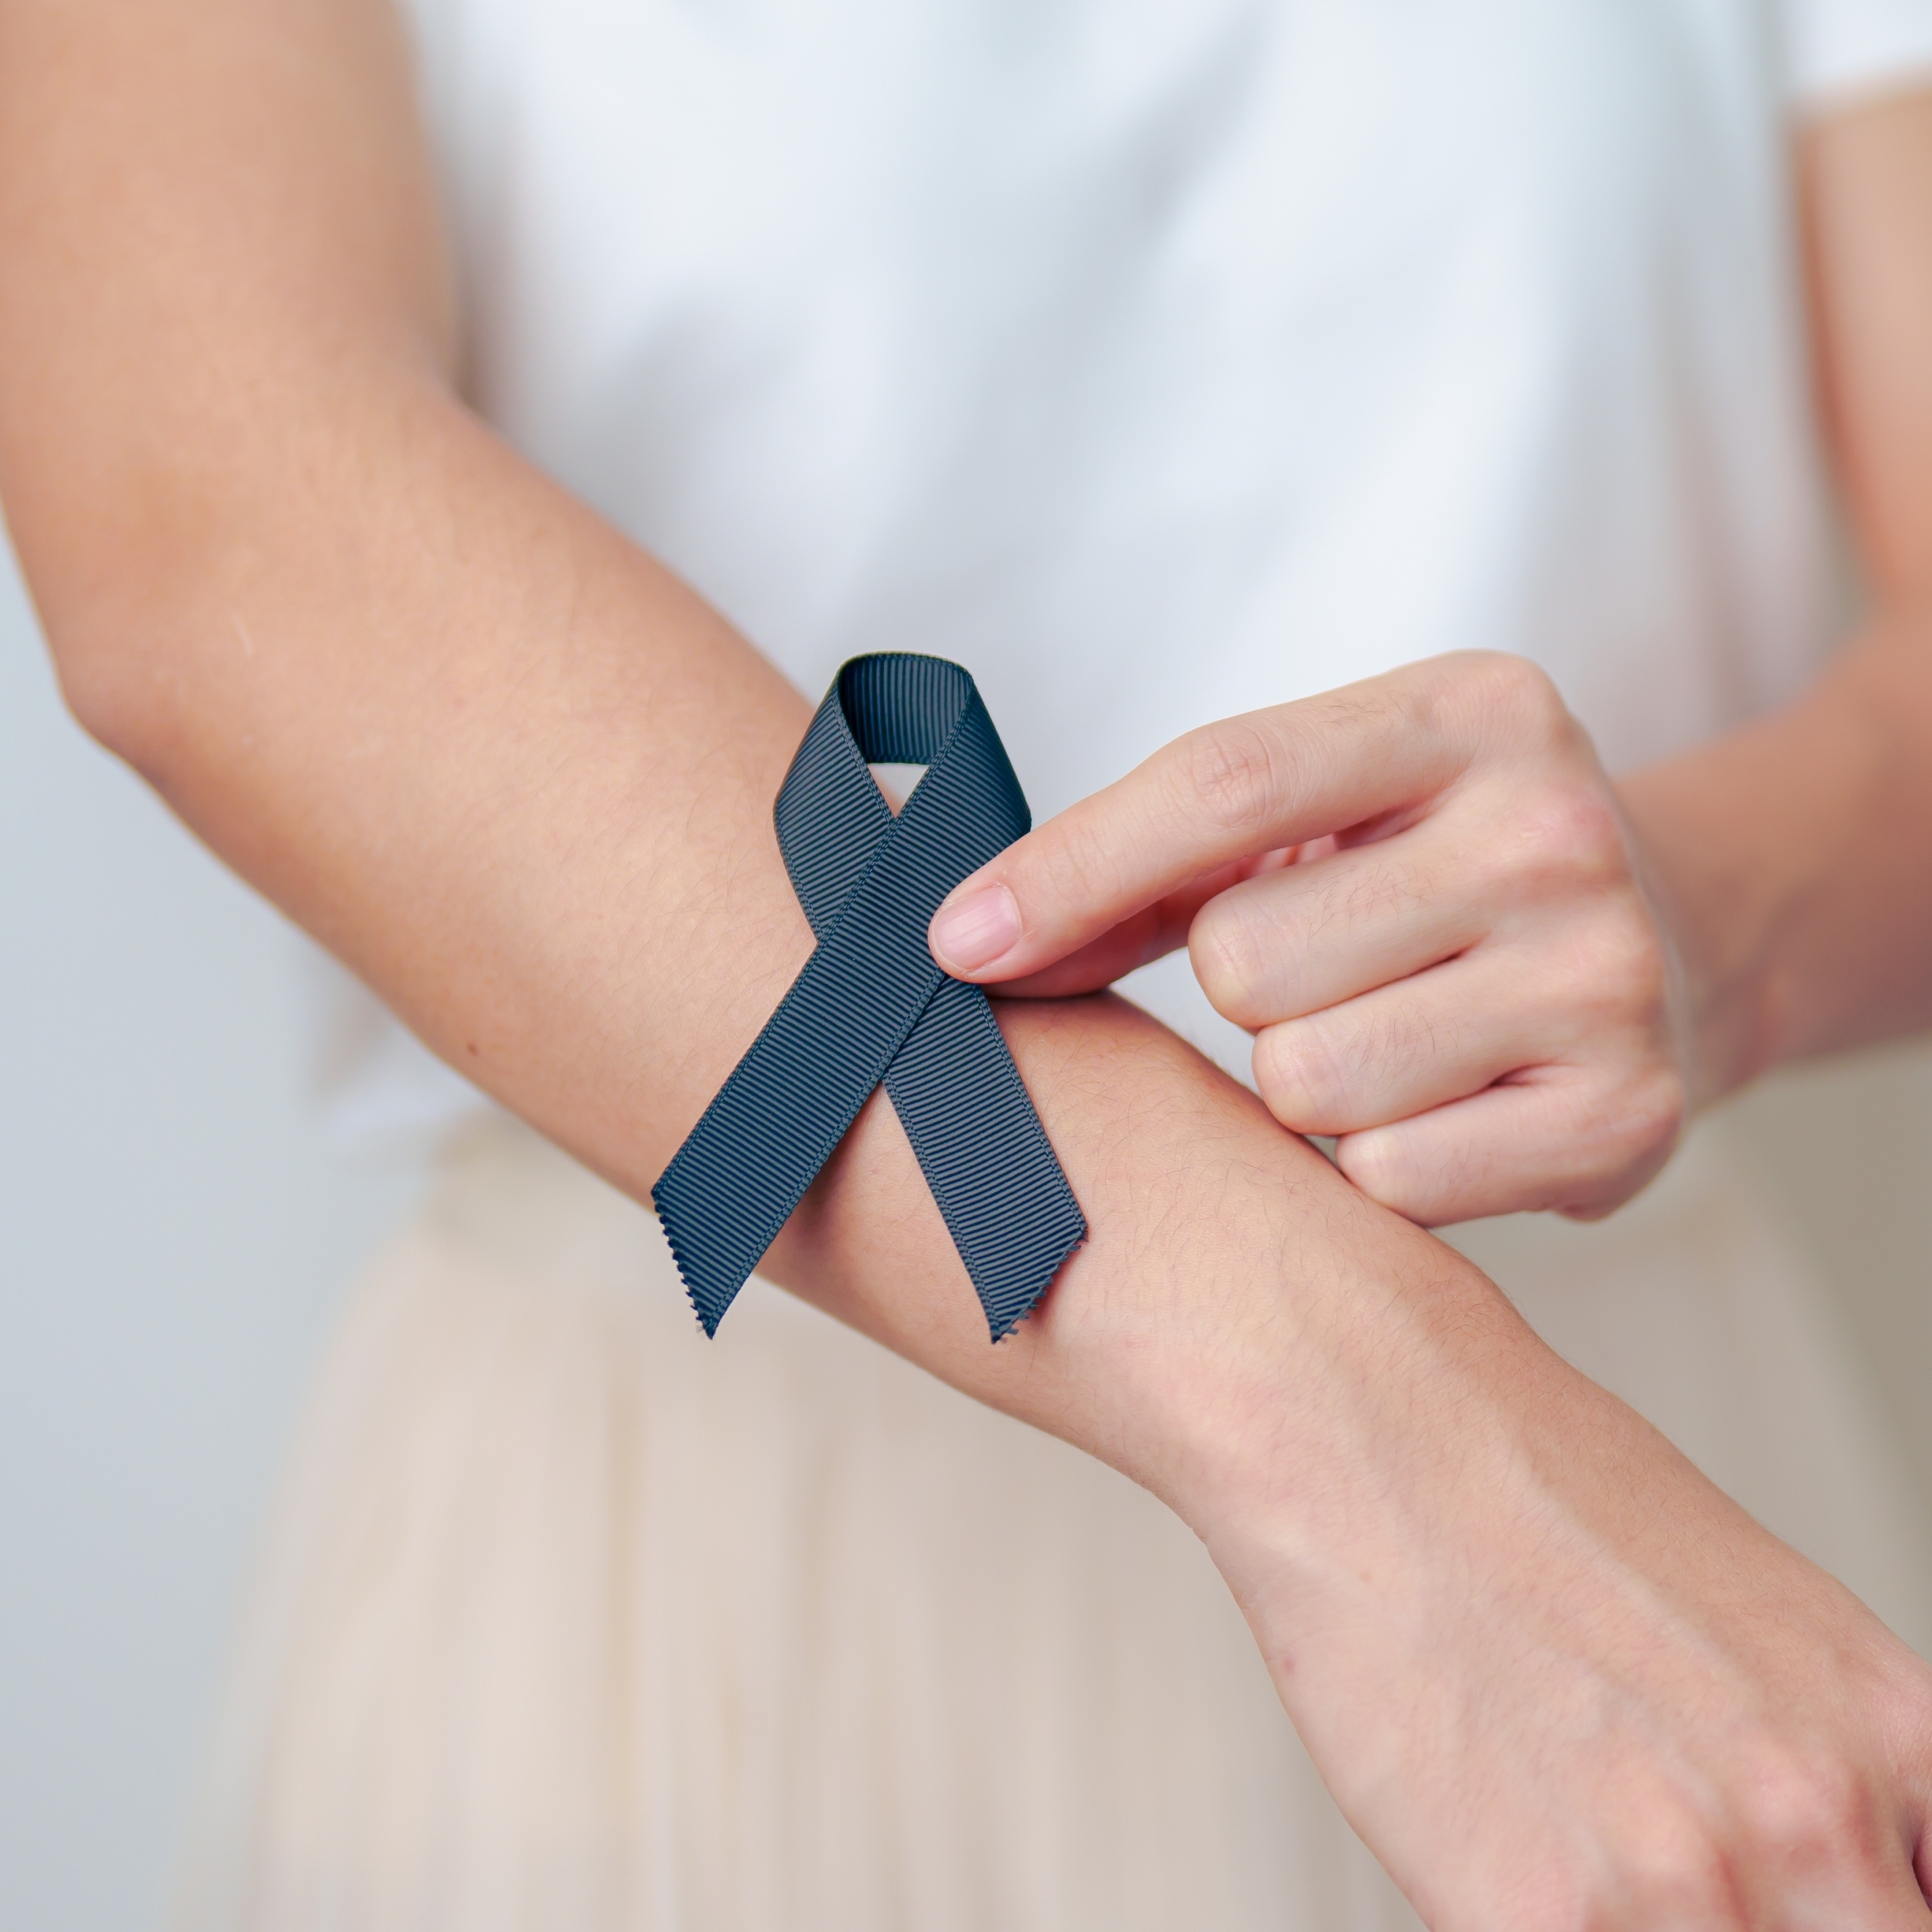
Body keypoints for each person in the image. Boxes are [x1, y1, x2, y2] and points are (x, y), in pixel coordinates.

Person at [3, 0, 1932, 1927]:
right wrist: (1380, 1425)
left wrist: (1697, 913)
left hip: (1629, 1559)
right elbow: (209, 509)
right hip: (687, 1574)